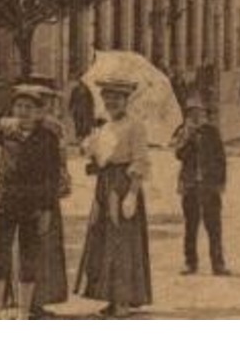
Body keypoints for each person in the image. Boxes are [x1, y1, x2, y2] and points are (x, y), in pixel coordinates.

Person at [0, 84, 66, 319]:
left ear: (38, 112)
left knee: (28, 259)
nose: (23, 111)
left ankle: (23, 315)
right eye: (19, 106)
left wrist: (46, 209)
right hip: (5, 203)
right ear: (13, 109)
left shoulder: (48, 137)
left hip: (33, 207)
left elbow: (52, 177)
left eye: (29, 107)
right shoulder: (6, 132)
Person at [76, 78, 153, 317]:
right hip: (105, 184)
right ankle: (110, 297)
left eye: (117, 98)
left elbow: (141, 160)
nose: (111, 102)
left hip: (123, 184)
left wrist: (131, 194)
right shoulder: (104, 126)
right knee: (104, 238)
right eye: (107, 97)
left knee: (121, 241)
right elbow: (98, 157)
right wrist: (89, 147)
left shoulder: (135, 126)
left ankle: (123, 299)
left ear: (126, 101)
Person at [172, 95, 228, 276]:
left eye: (199, 113)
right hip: (190, 185)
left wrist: (220, 182)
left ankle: (218, 264)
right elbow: (179, 154)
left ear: (204, 114)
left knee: (214, 226)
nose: (196, 117)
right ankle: (190, 263)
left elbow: (221, 158)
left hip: (209, 185)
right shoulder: (182, 132)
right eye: (192, 113)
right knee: (191, 225)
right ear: (187, 115)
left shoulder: (212, 132)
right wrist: (187, 137)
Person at [67, 78, 96, 142]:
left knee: (85, 123)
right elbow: (72, 100)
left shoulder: (87, 90)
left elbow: (91, 101)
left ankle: (85, 138)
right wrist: (70, 108)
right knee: (77, 122)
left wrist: (92, 110)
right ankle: (79, 137)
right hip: (77, 109)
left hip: (85, 109)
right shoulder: (75, 90)